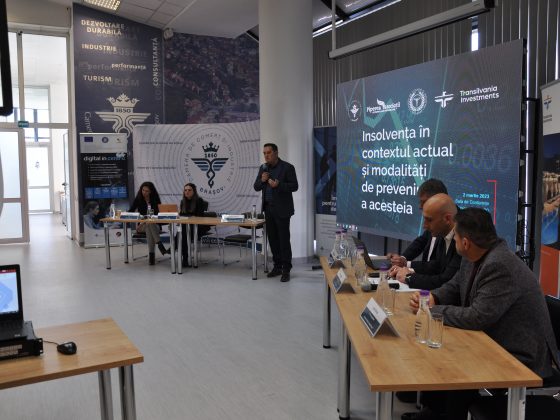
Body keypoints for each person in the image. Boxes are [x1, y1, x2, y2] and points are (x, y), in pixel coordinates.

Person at [402, 208, 560, 420]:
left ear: (465, 242)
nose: (454, 240)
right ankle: (436, 412)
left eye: (456, 237)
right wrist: (435, 297)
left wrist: (431, 310)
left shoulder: (500, 265)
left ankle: (446, 415)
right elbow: (456, 285)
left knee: (458, 361)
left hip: (521, 356)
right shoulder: (475, 254)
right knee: (445, 350)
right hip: (495, 340)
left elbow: (477, 317)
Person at [390, 194, 461, 290]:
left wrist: (409, 277)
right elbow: (436, 267)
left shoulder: (461, 240)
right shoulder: (442, 232)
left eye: (429, 220)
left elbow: (446, 280)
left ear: (447, 219)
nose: (424, 226)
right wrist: (407, 269)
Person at [253, 143, 298, 282]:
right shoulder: (263, 168)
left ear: (276, 153)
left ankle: (286, 269)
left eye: (269, 153)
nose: (266, 155)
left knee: (284, 240)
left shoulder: (287, 167)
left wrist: (279, 185)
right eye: (264, 153)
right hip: (268, 209)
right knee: (272, 240)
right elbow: (256, 187)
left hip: (282, 210)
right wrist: (262, 180)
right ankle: (277, 266)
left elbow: (294, 186)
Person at [388, 178, 448, 268]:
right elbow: (421, 241)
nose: (420, 206)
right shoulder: (435, 219)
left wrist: (407, 264)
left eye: (424, 202)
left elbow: (437, 266)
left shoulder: (454, 225)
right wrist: (402, 259)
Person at [129, 181, 169, 265]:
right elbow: (131, 210)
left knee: (149, 224)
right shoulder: (138, 199)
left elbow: (158, 215)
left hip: (154, 225)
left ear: (151, 191)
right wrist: (123, 214)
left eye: (147, 191)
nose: (144, 192)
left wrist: (148, 220)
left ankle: (152, 255)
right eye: (143, 190)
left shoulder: (155, 200)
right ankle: (159, 245)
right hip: (142, 226)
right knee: (148, 224)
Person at [178, 183, 209, 267]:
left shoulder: (199, 201)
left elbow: (199, 216)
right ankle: (184, 259)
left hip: (197, 227)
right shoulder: (183, 202)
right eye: (185, 190)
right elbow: (181, 215)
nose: (187, 192)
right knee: (182, 232)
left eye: (189, 190)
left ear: (194, 191)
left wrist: (187, 217)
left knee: (182, 234)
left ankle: (183, 257)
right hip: (186, 227)